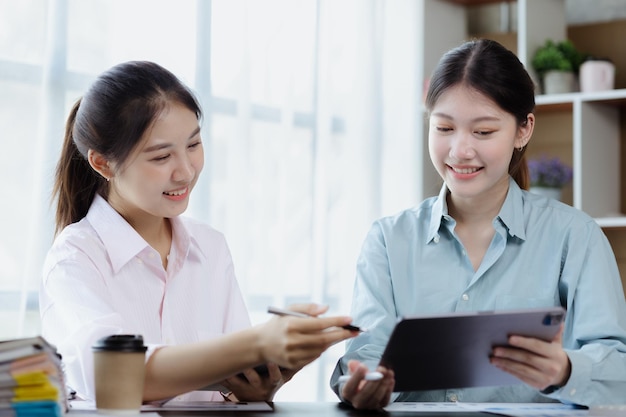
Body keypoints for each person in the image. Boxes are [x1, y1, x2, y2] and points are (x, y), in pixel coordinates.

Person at [329, 39, 626, 409]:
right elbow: (367, 350)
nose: (459, 150)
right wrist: (363, 384)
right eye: (444, 128)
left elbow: (619, 371)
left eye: (483, 132)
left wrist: (566, 370)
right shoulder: (388, 240)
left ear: (524, 130)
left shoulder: (575, 237)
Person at [39, 60, 357, 404]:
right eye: (161, 157)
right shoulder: (75, 259)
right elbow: (114, 378)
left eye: (193, 145)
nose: (186, 172)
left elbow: (235, 390)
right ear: (102, 163)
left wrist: (258, 385)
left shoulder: (210, 247)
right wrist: (257, 343)